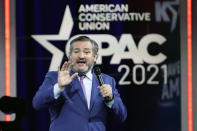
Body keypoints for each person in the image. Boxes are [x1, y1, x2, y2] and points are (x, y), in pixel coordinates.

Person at [32, 36, 127, 131]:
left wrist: (111, 99)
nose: (81, 56)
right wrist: (59, 87)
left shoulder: (107, 80)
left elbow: (122, 116)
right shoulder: (55, 77)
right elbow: (37, 104)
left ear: (94, 57)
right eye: (76, 51)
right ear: (70, 56)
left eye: (86, 52)